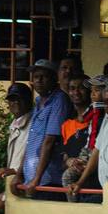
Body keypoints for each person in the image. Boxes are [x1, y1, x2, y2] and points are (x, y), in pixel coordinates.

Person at [20, 60, 73, 198]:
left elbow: (49, 141)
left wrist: (36, 179)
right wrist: (19, 174)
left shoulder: (59, 99)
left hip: (48, 179)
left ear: (54, 79)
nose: (39, 80)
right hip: (33, 179)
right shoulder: (38, 102)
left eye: (44, 77)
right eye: (36, 77)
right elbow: (31, 143)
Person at [69, 82, 108, 195]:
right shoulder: (107, 119)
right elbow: (96, 152)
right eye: (107, 101)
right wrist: (80, 183)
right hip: (106, 190)